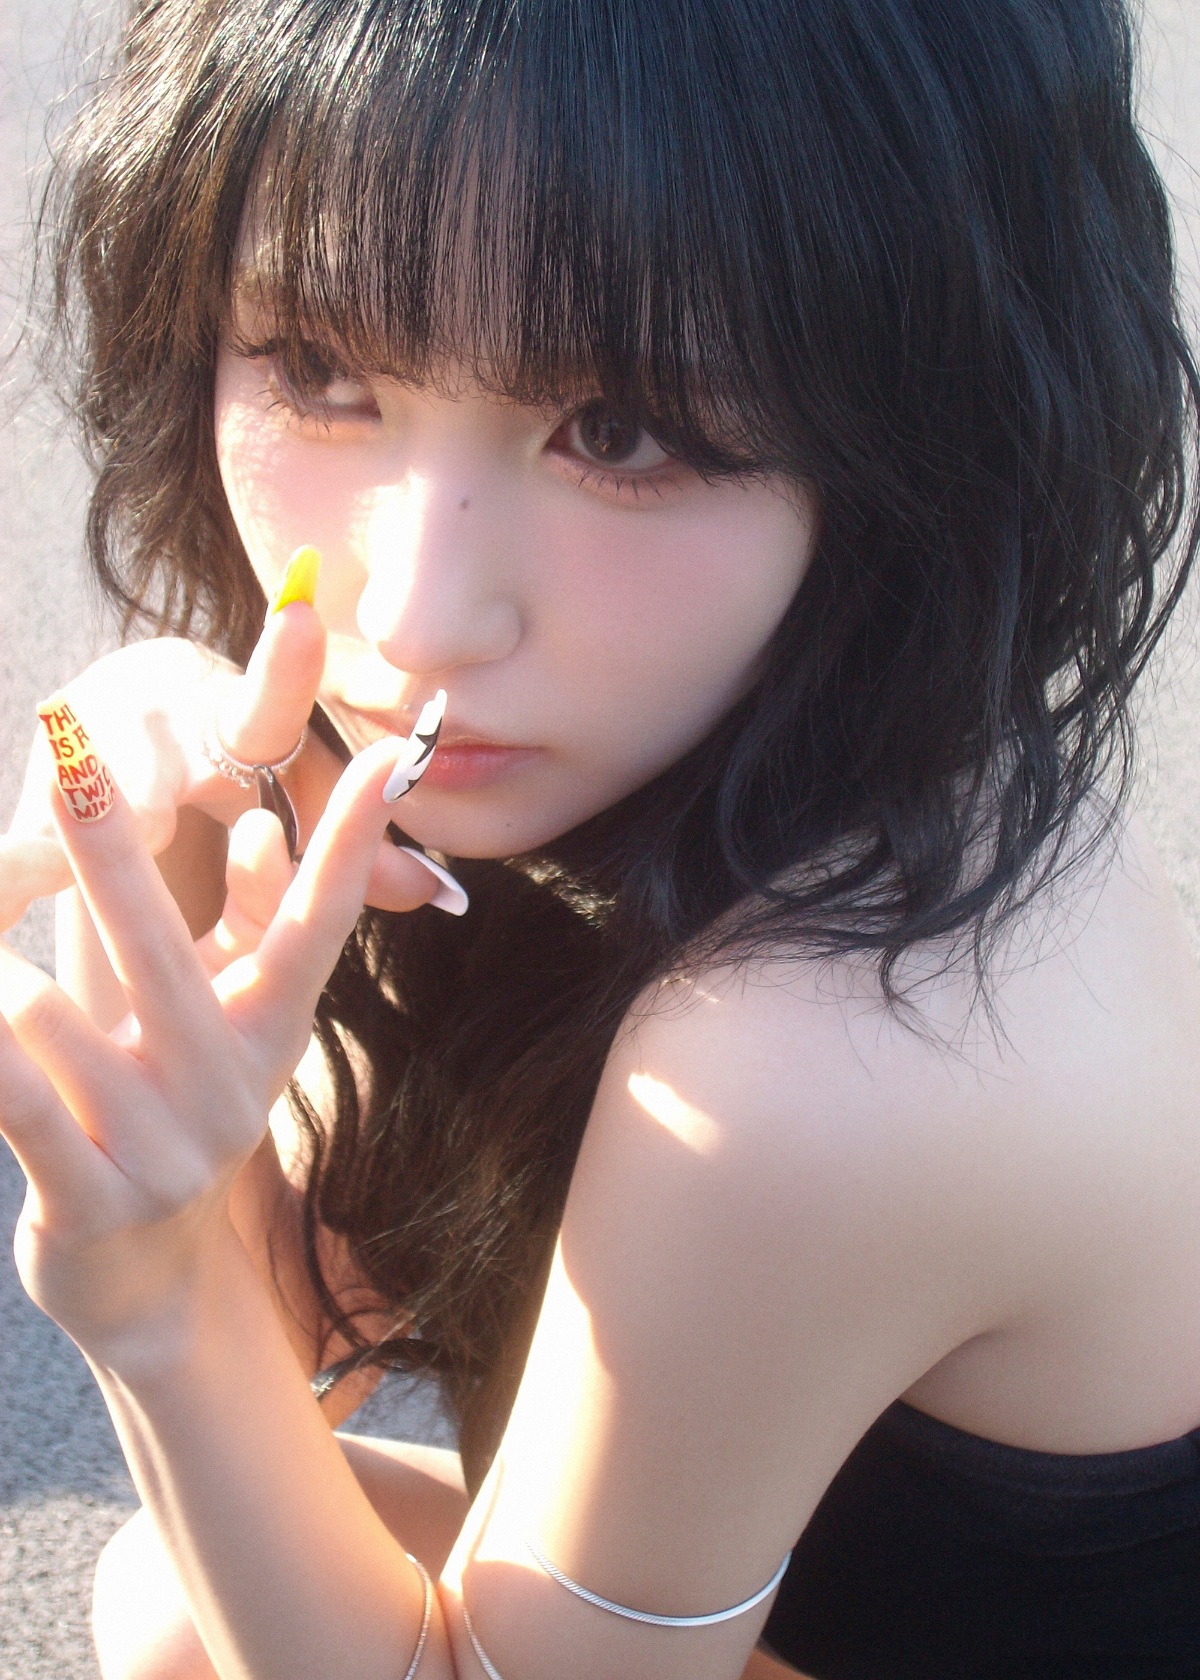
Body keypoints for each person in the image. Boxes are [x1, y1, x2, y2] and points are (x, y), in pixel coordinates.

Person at [1, 0, 1199, 1674]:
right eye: (322, 370)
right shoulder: (748, 755)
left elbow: (240, 1350)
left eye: (621, 428)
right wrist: (179, 872)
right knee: (175, 1611)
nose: (416, 618)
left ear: (919, 426)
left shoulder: (822, 1053)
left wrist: (148, 1287)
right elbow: (316, 1333)